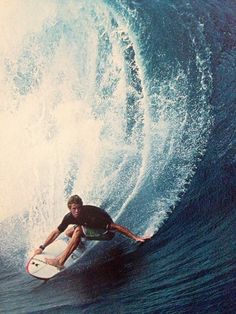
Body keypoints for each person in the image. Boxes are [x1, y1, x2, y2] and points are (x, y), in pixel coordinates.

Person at [33, 195, 151, 269]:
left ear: (82, 206)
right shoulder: (69, 216)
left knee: (78, 231)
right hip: (90, 227)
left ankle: (60, 261)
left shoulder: (92, 216)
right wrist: (42, 247)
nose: (77, 210)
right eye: (74, 208)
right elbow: (56, 232)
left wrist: (136, 237)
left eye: (79, 207)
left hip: (106, 233)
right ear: (70, 208)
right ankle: (77, 243)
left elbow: (115, 227)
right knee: (68, 233)